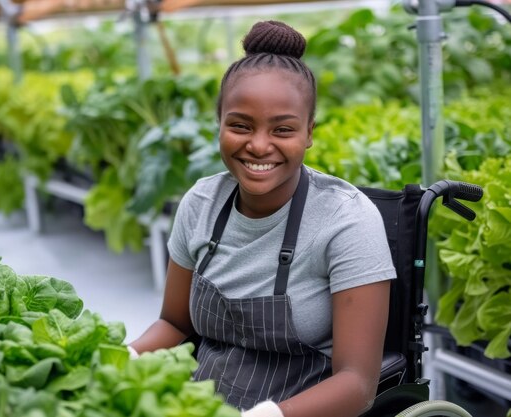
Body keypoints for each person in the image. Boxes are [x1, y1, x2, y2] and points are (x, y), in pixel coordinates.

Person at [129, 20, 395, 417]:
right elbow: (173, 322)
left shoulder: (347, 221)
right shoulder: (201, 202)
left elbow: (357, 384)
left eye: (283, 129)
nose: (258, 145)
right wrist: (121, 357)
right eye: (240, 125)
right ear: (219, 124)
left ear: (309, 133)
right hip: (201, 401)